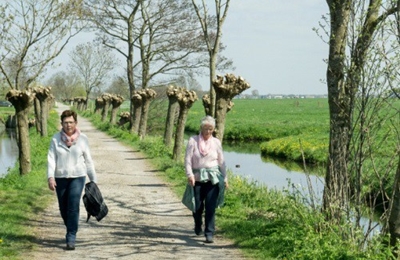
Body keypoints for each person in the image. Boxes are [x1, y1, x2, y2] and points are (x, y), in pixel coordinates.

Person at [47, 109, 97, 250]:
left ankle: (71, 236)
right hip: (60, 177)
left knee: (73, 205)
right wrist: (50, 177)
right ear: (61, 123)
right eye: (65, 122)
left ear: (75, 123)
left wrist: (93, 180)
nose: (68, 125)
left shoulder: (83, 139)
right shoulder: (55, 139)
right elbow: (51, 160)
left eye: (71, 122)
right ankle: (71, 227)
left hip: (78, 176)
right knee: (63, 208)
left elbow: (88, 160)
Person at [184, 115, 229, 243]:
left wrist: (225, 177)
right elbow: (187, 160)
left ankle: (209, 233)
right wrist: (190, 175)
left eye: (210, 129)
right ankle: (198, 224)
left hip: (212, 179)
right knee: (197, 206)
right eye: (205, 128)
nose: (208, 131)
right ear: (201, 128)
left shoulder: (216, 142)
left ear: (213, 129)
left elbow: (222, 162)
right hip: (197, 179)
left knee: (210, 207)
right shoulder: (193, 141)